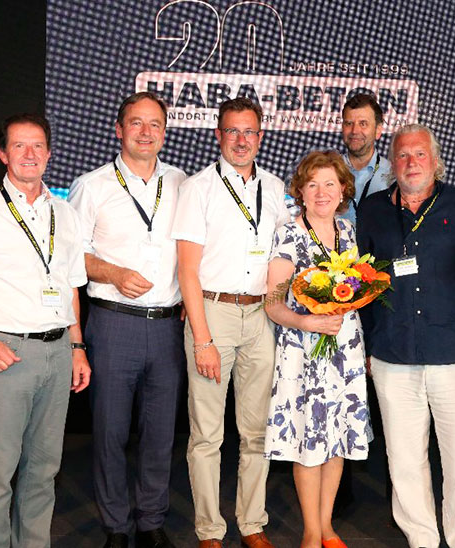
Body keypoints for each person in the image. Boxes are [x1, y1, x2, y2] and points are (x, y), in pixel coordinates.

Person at [356, 124, 455, 548]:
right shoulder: (373, 210)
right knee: (404, 462)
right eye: (402, 155)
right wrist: (368, 346)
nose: (411, 163)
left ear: (436, 161)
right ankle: (421, 540)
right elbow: (363, 284)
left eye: (420, 154)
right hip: (392, 355)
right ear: (392, 164)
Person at [68, 92, 187, 548]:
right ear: (119, 130)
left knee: (160, 435)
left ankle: (151, 521)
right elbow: (72, 256)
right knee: (110, 433)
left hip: (167, 326)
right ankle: (116, 526)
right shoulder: (91, 185)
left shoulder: (181, 183)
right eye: (136, 123)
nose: (145, 132)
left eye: (155, 124)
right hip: (113, 324)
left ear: (165, 133)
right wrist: (113, 273)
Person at [173, 97, 290, 548]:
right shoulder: (198, 188)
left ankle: (252, 523)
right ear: (218, 136)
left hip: (262, 316)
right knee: (207, 434)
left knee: (257, 431)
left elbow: (283, 259)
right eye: (233, 131)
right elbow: (187, 270)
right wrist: (202, 338)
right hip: (213, 313)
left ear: (261, 136)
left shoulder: (275, 188)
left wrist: (280, 308)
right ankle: (209, 530)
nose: (241, 140)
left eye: (249, 132)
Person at [0, 113, 90, 547]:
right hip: (3, 354)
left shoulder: (65, 214)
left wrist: (77, 347)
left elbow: (71, 286)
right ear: (3, 154)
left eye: (38, 145)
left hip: (57, 354)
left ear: (49, 154)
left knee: (43, 471)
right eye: (19, 145)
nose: (29, 154)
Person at [264, 150, 372, 548]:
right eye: (312, 185)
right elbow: (272, 302)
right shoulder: (289, 234)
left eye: (330, 184)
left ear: (343, 190)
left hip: (345, 348)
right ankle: (311, 532)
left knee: (337, 437)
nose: (322, 192)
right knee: (309, 442)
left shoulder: (348, 231)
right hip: (304, 350)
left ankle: (327, 527)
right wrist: (307, 322)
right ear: (301, 192)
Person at [340, 93, 391, 224]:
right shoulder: (328, 172)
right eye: (349, 123)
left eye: (363, 124)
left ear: (378, 130)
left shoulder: (394, 176)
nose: (355, 130)